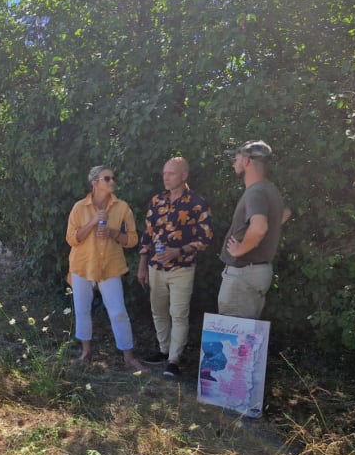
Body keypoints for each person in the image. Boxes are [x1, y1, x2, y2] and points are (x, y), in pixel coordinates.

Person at [136, 157, 213, 378]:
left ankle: (174, 360)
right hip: (155, 267)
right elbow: (147, 235)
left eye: (170, 173)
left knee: (178, 313)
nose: (165, 177)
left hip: (182, 267)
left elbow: (206, 238)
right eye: (164, 173)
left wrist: (178, 251)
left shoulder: (197, 203)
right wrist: (142, 266)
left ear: (183, 176)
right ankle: (163, 349)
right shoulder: (157, 201)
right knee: (158, 311)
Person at [66, 165, 144, 371]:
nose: (112, 182)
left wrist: (112, 233)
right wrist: (93, 222)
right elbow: (72, 238)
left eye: (113, 178)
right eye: (106, 178)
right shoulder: (79, 208)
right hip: (82, 265)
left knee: (118, 311)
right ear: (95, 183)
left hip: (110, 265)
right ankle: (86, 353)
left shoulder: (122, 208)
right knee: (82, 310)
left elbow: (134, 239)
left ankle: (128, 357)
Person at [218, 140, 291, 319]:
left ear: (248, 161)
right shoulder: (269, 188)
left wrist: (238, 250)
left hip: (243, 274)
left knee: (233, 337)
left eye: (237, 157)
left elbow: (259, 228)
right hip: (258, 271)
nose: (234, 160)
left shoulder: (255, 192)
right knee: (247, 339)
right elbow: (285, 213)